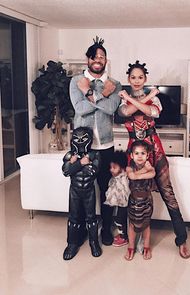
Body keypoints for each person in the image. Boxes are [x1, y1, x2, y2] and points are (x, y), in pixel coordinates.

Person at [118, 60, 190, 259]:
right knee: (131, 195)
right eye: (133, 77)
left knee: (168, 194)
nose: (136, 81)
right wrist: (149, 95)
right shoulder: (123, 101)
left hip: (155, 152)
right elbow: (126, 112)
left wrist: (144, 97)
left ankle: (181, 239)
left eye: (140, 77)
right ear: (128, 79)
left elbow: (153, 112)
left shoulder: (147, 100)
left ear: (145, 79)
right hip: (133, 154)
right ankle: (128, 239)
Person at [69, 37, 122, 246]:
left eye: (102, 57)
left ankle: (106, 228)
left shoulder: (115, 84)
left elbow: (111, 109)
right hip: (83, 147)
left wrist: (90, 93)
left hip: (107, 146)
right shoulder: (75, 81)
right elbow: (80, 109)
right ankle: (81, 231)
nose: (98, 60)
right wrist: (102, 96)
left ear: (106, 61)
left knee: (107, 190)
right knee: (82, 190)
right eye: (95, 56)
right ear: (88, 59)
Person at [62, 127, 102, 260]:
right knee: (73, 218)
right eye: (76, 139)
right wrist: (81, 163)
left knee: (91, 218)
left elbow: (93, 172)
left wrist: (74, 165)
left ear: (90, 139)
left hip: (89, 191)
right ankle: (71, 244)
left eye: (83, 138)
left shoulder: (94, 154)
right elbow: (65, 172)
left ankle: (94, 242)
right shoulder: (69, 155)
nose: (79, 141)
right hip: (74, 191)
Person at [125, 140, 156, 260]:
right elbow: (131, 176)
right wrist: (144, 171)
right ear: (131, 155)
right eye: (136, 153)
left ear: (147, 155)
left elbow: (152, 174)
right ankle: (131, 247)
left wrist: (140, 174)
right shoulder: (129, 167)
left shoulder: (150, 168)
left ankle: (146, 247)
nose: (139, 156)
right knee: (132, 224)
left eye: (142, 153)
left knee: (146, 224)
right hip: (133, 201)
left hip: (147, 201)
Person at [104, 150, 130, 247]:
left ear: (122, 167)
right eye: (110, 167)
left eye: (114, 167)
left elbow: (124, 192)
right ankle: (122, 235)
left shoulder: (123, 179)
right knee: (119, 219)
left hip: (124, 204)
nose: (111, 170)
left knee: (120, 219)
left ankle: (124, 237)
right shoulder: (117, 177)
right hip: (120, 203)